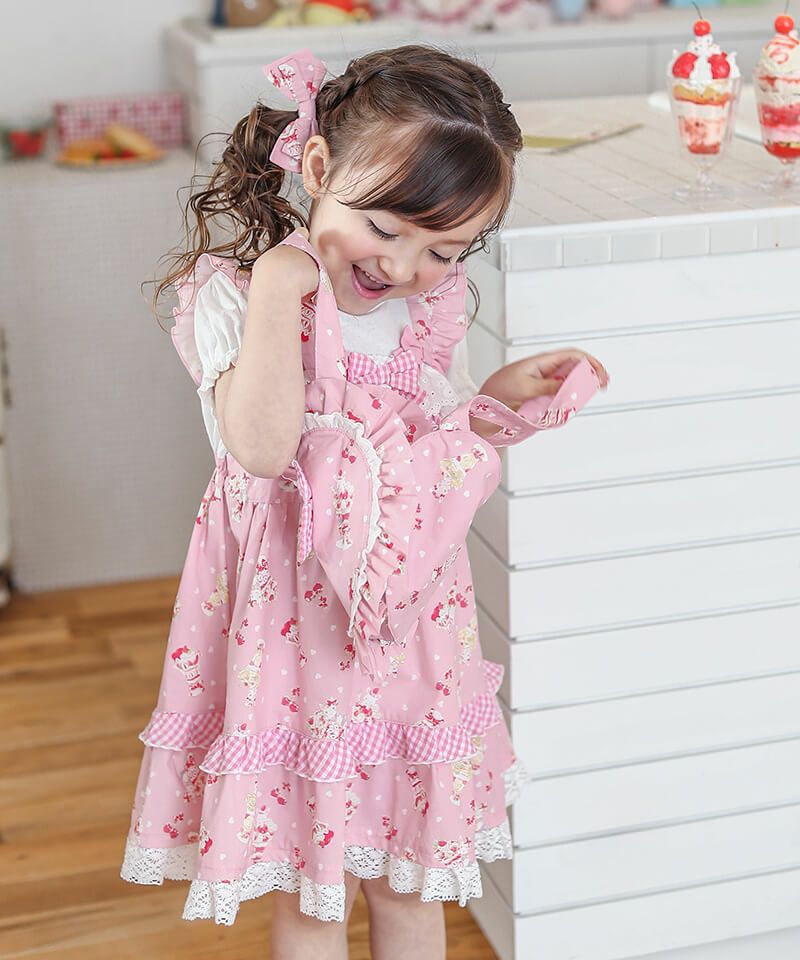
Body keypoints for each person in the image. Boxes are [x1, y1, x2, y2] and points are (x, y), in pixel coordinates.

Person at [120, 44, 608, 960]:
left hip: (408, 633)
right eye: (386, 227)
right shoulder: (234, 297)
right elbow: (261, 448)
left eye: (444, 249)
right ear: (316, 168)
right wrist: (280, 284)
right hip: (294, 637)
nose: (407, 266)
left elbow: (427, 452)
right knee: (317, 892)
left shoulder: (429, 311)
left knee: (410, 878)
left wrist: (495, 401)